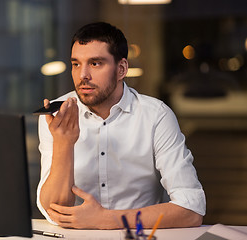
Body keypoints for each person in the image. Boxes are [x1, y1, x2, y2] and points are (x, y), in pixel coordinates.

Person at [36, 22, 206, 230]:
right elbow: (55, 210)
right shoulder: (57, 116)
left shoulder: (156, 116)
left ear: (122, 69)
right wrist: (64, 143)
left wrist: (107, 219)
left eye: (95, 63)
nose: (83, 76)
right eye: (76, 64)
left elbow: (191, 210)